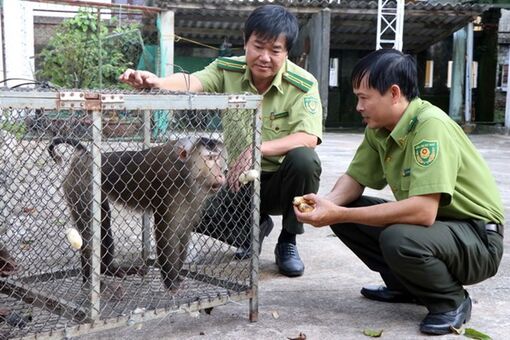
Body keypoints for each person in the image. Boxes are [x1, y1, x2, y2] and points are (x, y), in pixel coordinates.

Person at [294, 48, 504, 335]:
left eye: (364, 97)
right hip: (442, 231)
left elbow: (422, 211)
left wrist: (340, 212)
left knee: (398, 237)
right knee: (347, 218)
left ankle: (451, 302)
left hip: (478, 239)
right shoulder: (379, 127)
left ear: (394, 93)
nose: (358, 106)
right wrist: (326, 205)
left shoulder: (430, 126)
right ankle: (408, 287)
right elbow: (355, 178)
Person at [119, 5, 322, 277]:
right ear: (246, 43)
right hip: (238, 180)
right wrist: (157, 82)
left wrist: (256, 149)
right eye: (258, 46)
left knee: (304, 160)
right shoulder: (228, 69)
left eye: (275, 50)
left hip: (281, 183)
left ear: (286, 52)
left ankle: (288, 240)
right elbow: (193, 80)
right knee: (187, 210)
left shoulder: (303, 83)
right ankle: (251, 229)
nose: (264, 57)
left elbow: (309, 137)